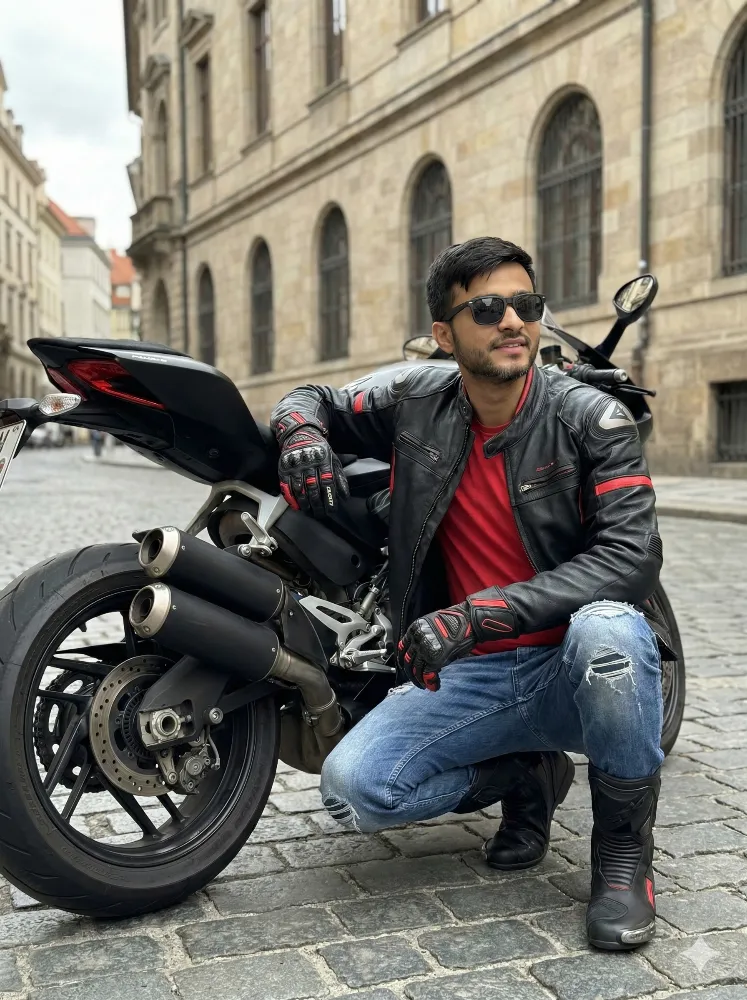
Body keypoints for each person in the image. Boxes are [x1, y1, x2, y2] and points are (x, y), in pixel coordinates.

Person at [270, 237, 671, 952]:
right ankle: (521, 775)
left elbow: (632, 556)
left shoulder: (590, 419)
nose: (512, 321)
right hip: (476, 675)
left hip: (571, 664)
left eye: (526, 304)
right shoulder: (414, 399)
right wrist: (301, 431)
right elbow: (315, 397)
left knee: (608, 632)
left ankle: (621, 861)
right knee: (352, 788)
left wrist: (480, 612)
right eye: (487, 308)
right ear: (443, 333)